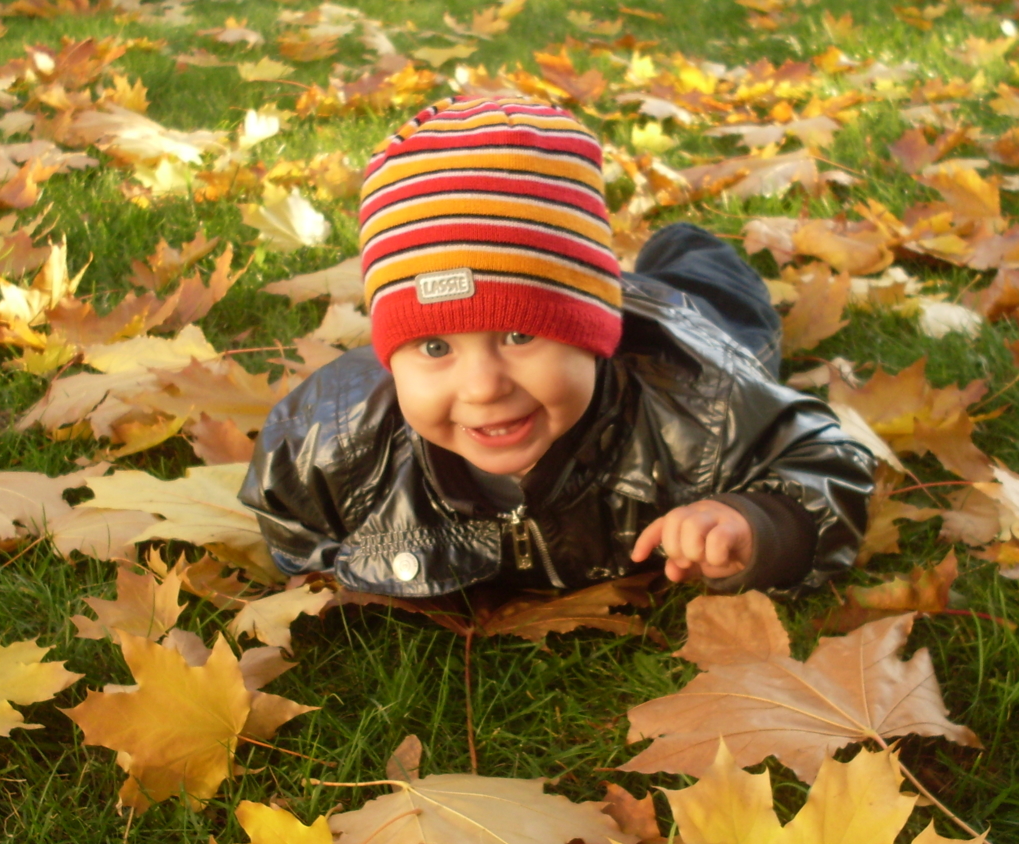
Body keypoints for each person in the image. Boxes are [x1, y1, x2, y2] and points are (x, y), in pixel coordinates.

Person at [240, 97, 875, 597]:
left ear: (593, 339)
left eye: (519, 335)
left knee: (721, 291)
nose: (483, 385)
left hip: (688, 319)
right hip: (594, 290)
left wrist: (754, 523)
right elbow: (293, 520)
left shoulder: (701, 400)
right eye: (434, 346)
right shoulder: (333, 438)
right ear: (390, 356)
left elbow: (828, 463)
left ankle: (686, 244)